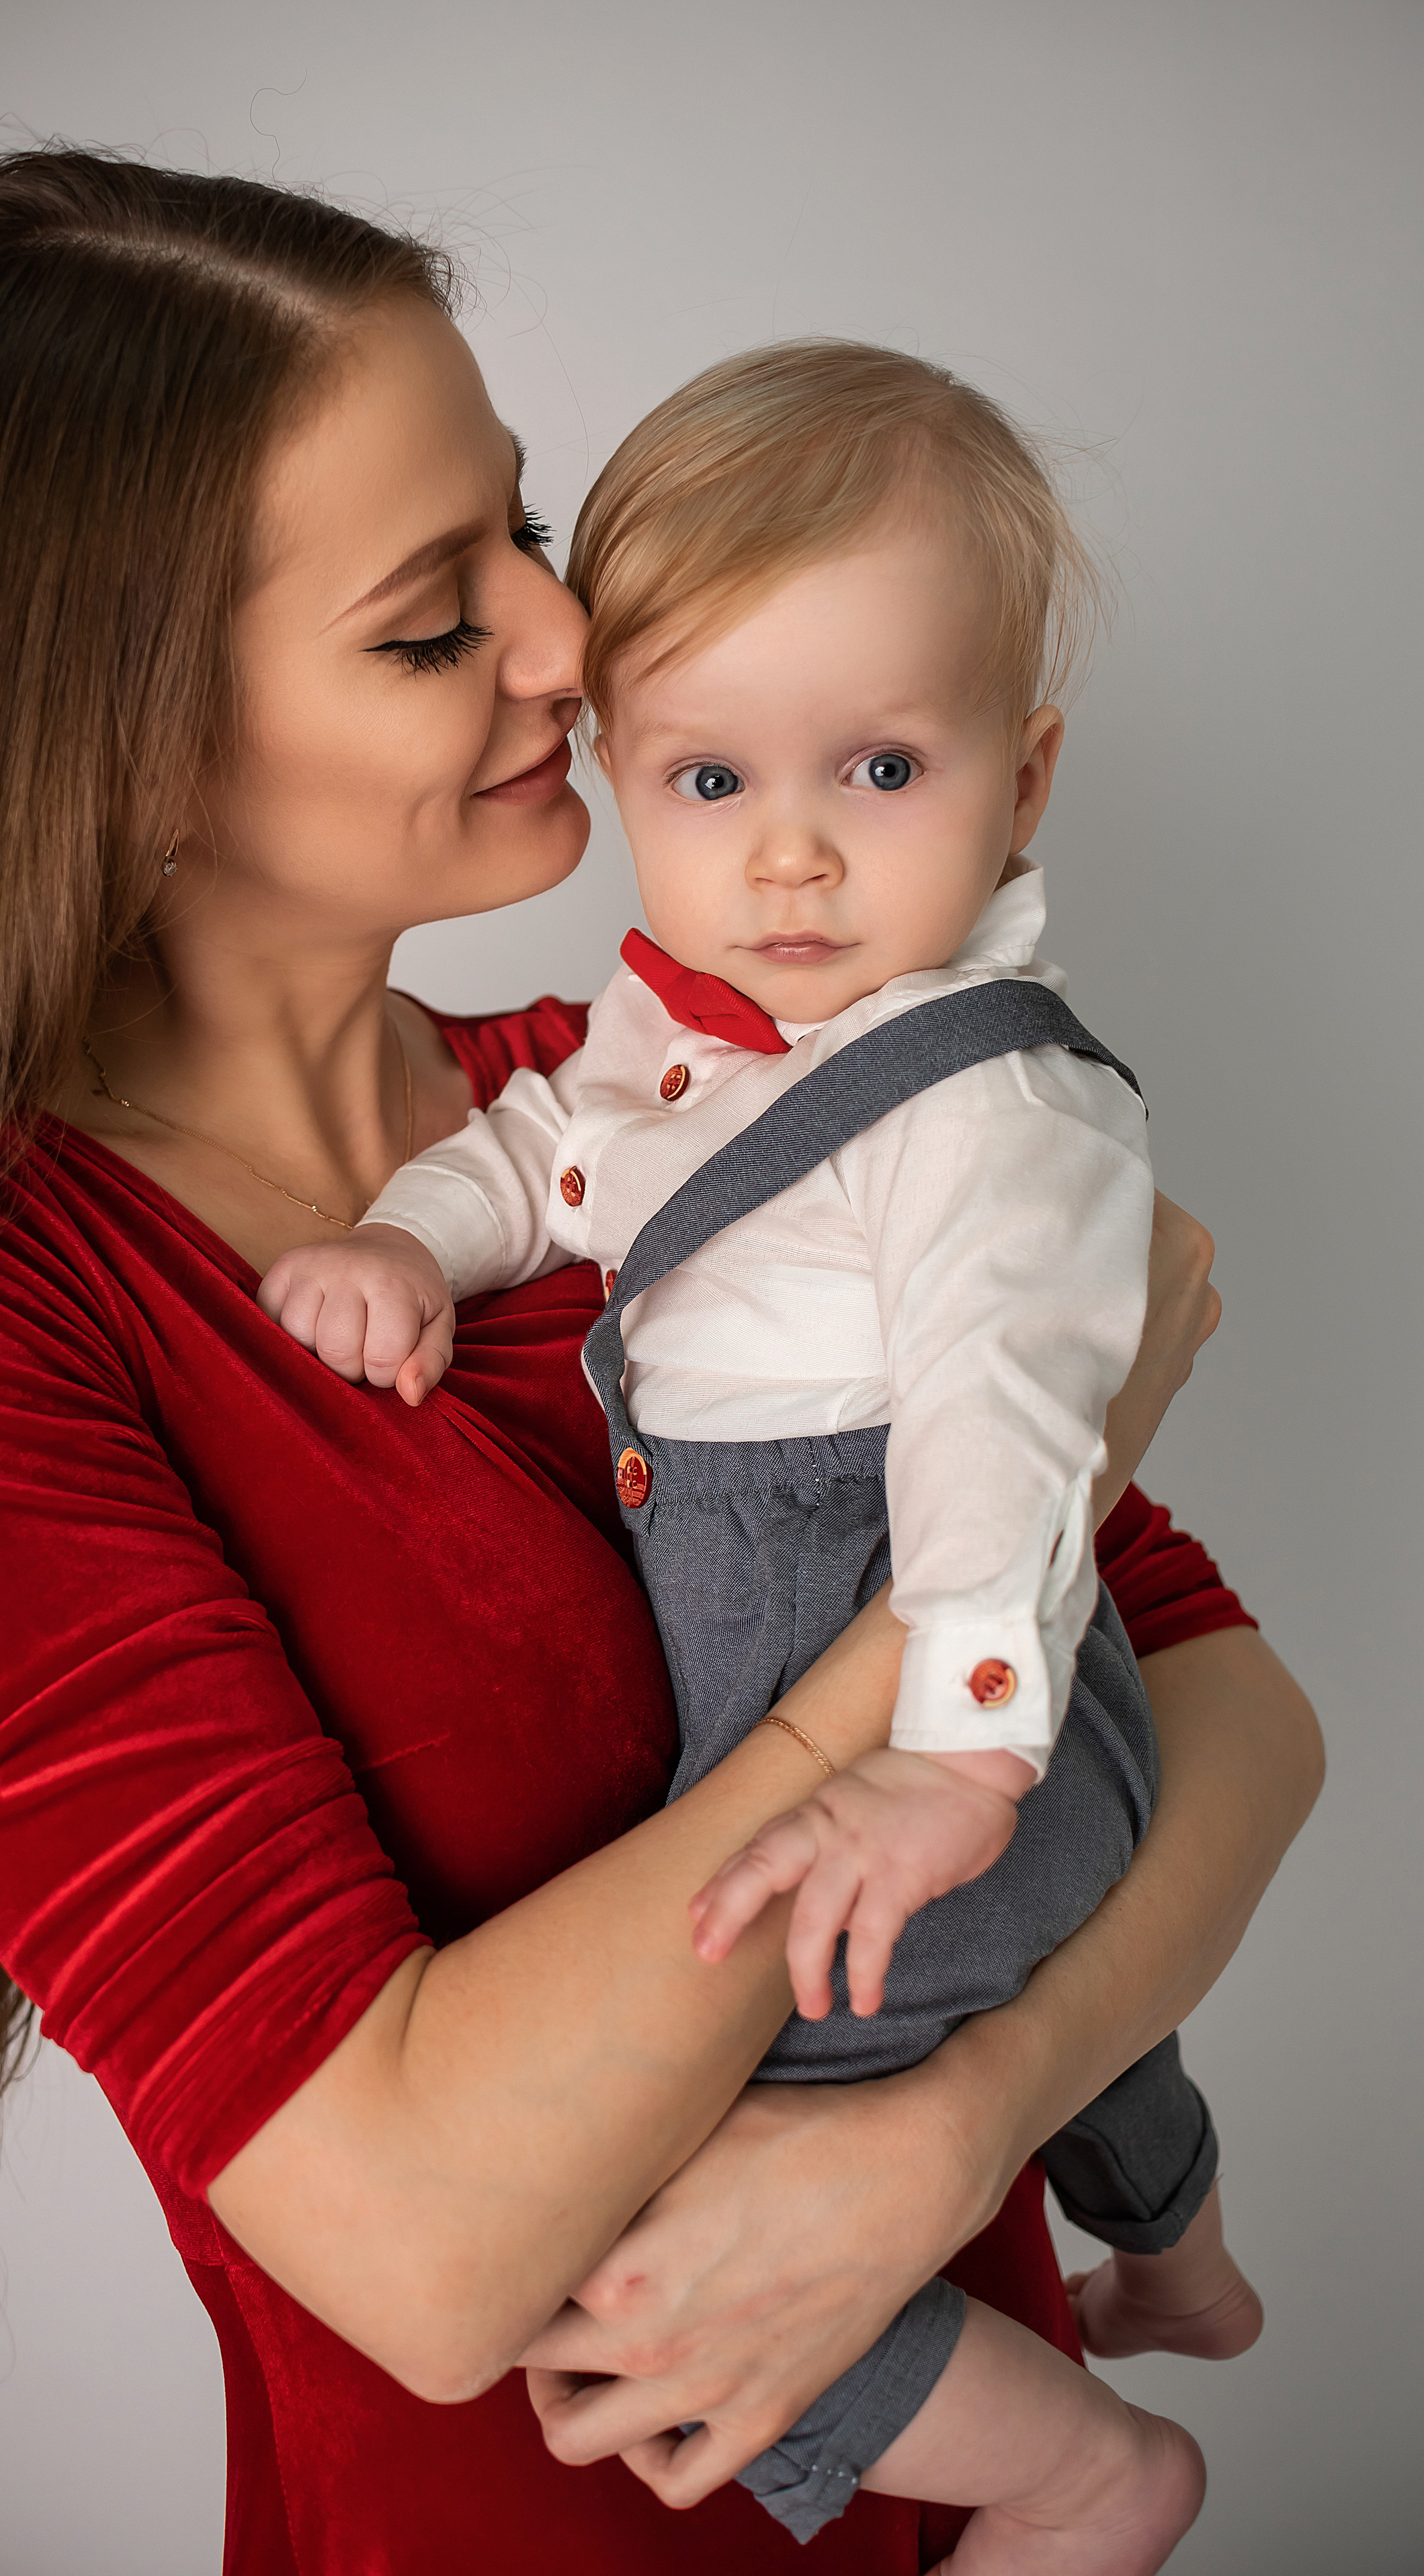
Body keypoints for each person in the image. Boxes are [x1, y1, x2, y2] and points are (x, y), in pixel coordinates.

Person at [0, 148, 1321, 2576]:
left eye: (528, 531)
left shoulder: (665, 1095)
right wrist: (1029, 1504)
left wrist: (955, 2125)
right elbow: (432, 2245)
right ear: (118, 739)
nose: (574, 640)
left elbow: (1235, 1727)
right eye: (426, 617)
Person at [257, 341, 1261, 2561]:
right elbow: (544, 1161)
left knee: (663, 2199)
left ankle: (1090, 2469)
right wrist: (413, 1250)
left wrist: (953, 1744)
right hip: (886, 1672)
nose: (790, 855)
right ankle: (1178, 2255)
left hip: (933, 1683)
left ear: (1027, 782)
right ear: (624, 770)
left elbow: (1014, 1424)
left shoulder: (987, 1102)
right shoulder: (681, 1042)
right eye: (710, 781)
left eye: (882, 765)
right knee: (971, 1988)